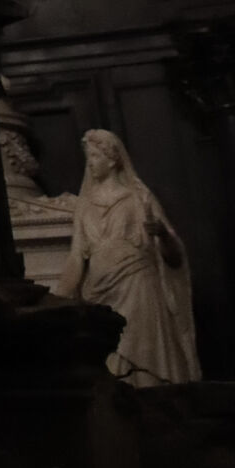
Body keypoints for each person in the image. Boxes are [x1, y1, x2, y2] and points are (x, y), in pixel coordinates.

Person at [54, 128, 201, 386]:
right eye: (89, 157)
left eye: (95, 156)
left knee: (145, 364)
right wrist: (58, 299)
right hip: (100, 293)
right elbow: (77, 257)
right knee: (110, 366)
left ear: (112, 160)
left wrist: (162, 236)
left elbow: (173, 258)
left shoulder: (138, 198)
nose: (90, 163)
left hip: (139, 289)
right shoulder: (84, 206)